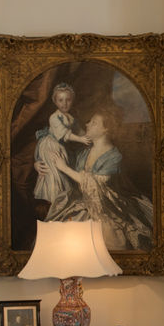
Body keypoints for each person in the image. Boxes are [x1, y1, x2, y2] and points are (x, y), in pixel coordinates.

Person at [37, 104, 154, 251]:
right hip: (81, 201)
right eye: (89, 122)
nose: (87, 124)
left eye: (93, 123)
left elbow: (95, 184)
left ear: (106, 129)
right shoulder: (84, 152)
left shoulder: (113, 157)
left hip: (106, 206)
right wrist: (38, 163)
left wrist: (64, 168)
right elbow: (57, 151)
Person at [32, 82, 91, 204]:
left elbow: (79, 131)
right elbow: (65, 134)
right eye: (60, 100)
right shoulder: (54, 117)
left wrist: (87, 137)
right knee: (53, 172)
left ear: (72, 100)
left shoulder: (70, 117)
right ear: (55, 101)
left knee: (61, 170)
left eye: (68, 100)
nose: (64, 104)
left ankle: (61, 201)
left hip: (60, 146)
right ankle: (54, 200)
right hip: (51, 146)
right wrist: (81, 140)